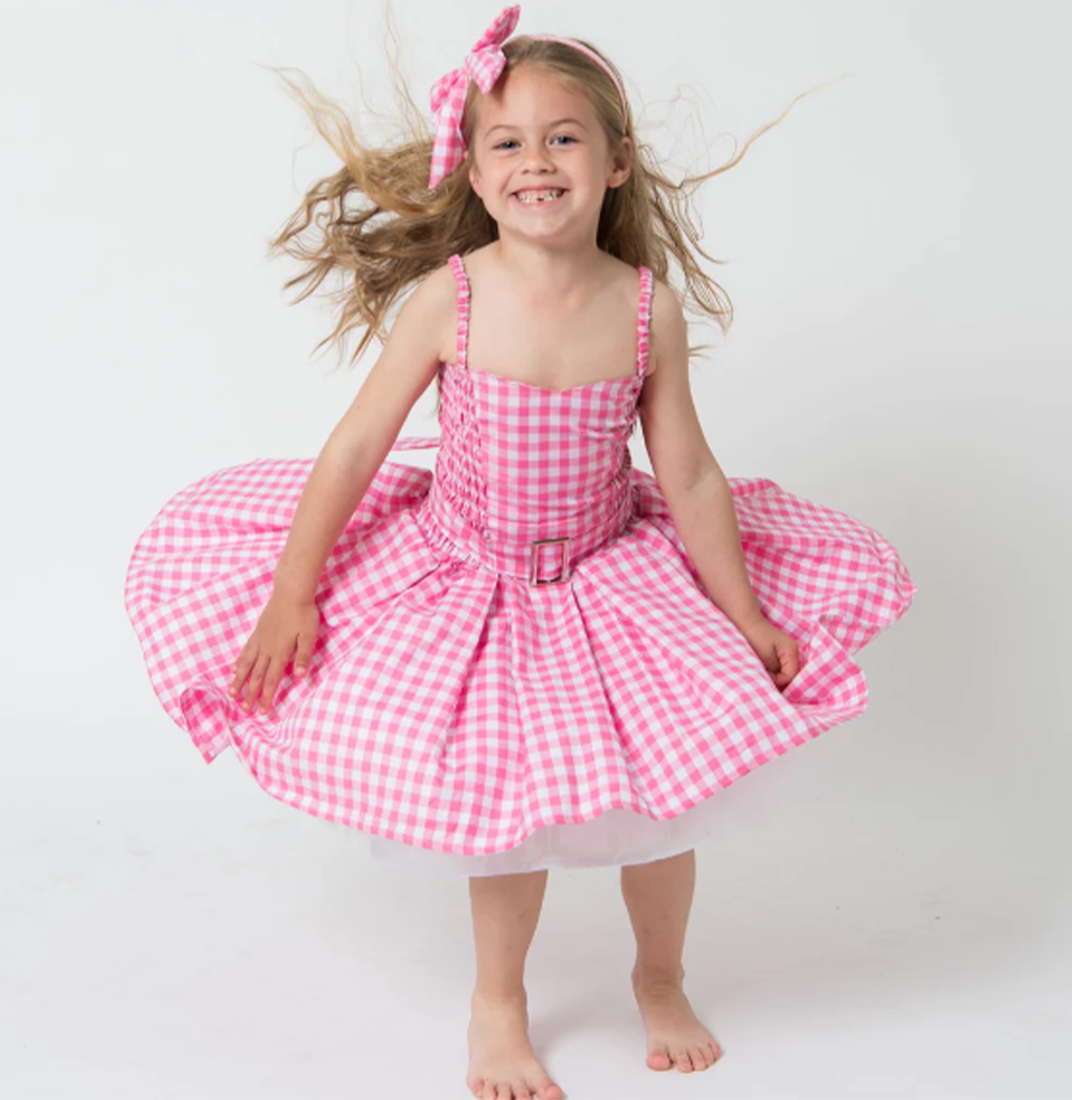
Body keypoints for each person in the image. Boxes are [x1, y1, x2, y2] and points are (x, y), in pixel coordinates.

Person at [124, 6, 916, 1098]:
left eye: (562, 137)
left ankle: (659, 971)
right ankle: (497, 1001)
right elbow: (355, 444)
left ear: (616, 162)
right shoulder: (446, 299)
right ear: (473, 169)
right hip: (470, 577)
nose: (535, 161)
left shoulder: (643, 308)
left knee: (662, 796)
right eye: (507, 141)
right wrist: (293, 590)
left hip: (607, 572)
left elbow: (685, 473)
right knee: (504, 814)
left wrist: (741, 613)